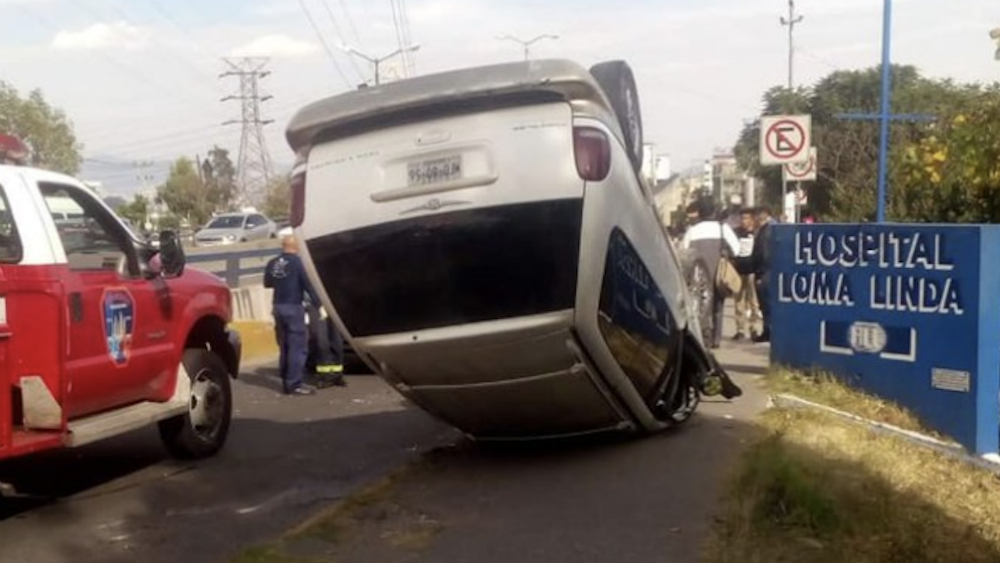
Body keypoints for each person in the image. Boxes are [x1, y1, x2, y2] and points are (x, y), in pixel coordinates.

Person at [680, 196, 740, 349]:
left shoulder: (692, 231)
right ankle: (716, 339)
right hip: (718, 273)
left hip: (697, 276)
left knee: (699, 306)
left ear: (699, 212)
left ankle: (701, 337)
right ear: (714, 212)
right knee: (718, 307)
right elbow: (737, 249)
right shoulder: (722, 228)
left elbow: (683, 252)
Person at [264, 234, 320, 395]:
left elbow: (267, 283)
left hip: (277, 306)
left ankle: (286, 378)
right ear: (296, 247)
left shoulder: (272, 262)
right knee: (298, 346)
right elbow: (308, 285)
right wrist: (319, 305)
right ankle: (294, 383)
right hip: (293, 307)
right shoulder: (298, 263)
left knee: (285, 345)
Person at [736, 205, 776, 343]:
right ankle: (765, 331)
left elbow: (763, 254)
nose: (756, 218)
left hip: (762, 272)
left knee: (763, 303)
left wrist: (760, 272)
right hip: (754, 270)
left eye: (757, 215)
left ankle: (767, 331)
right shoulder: (765, 229)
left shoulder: (767, 230)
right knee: (761, 304)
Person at [305, 292, 347, 388]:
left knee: (337, 342)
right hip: (316, 305)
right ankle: (325, 376)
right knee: (321, 341)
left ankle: (337, 374)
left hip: (335, 303)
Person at [733, 208, 761, 341]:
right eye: (742, 218)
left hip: (751, 271)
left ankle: (754, 327)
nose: (743, 221)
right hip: (738, 270)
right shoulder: (736, 232)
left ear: (751, 219)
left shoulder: (756, 232)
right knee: (738, 301)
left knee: (753, 301)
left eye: (746, 218)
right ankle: (740, 329)